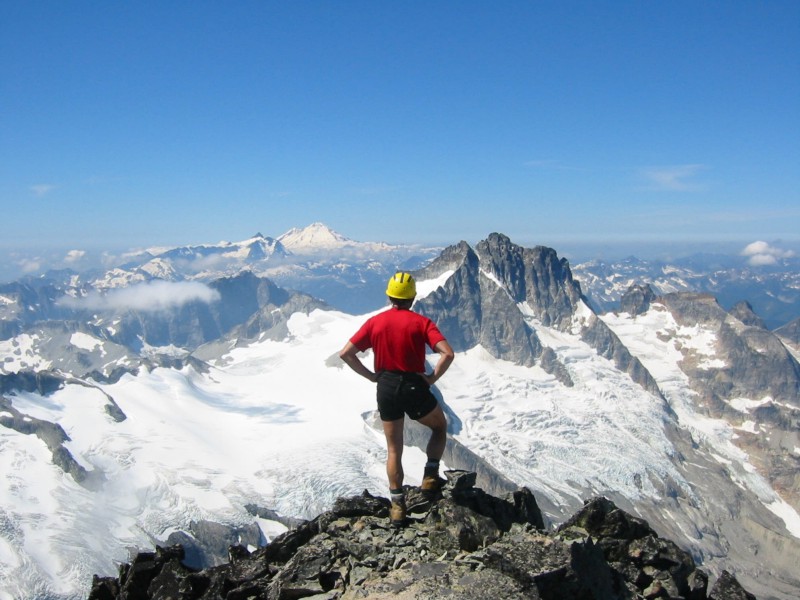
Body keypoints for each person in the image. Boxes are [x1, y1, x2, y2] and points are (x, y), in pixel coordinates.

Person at [339, 272, 455, 526]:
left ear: (390, 296)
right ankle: (430, 476)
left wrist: (371, 376)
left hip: (386, 387)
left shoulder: (375, 323)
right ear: (412, 297)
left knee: (394, 449)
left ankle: (397, 506)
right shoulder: (422, 323)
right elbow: (447, 353)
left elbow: (346, 353)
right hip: (413, 385)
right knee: (439, 426)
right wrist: (431, 378)